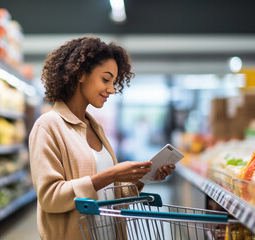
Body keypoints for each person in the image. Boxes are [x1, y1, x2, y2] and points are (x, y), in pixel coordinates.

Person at [29, 36, 175, 240]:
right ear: (80, 74)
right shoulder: (48, 126)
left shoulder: (95, 127)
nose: (112, 89)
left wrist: (143, 177)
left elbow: (108, 194)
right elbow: (50, 199)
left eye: (114, 82)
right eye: (106, 79)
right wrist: (111, 174)